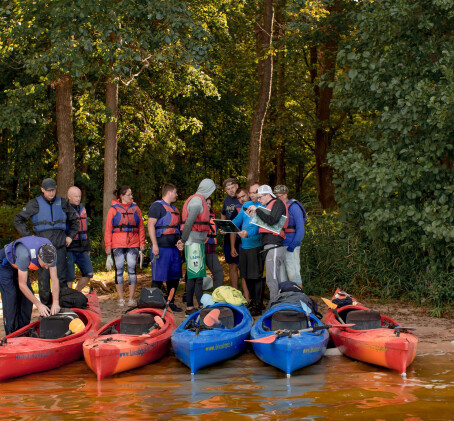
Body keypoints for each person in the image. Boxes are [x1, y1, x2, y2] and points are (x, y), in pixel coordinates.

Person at [13, 178, 79, 306]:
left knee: (61, 278)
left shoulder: (63, 203)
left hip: (60, 247)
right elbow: (18, 219)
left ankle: (60, 306)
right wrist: (29, 237)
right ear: (42, 190)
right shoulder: (34, 204)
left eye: (53, 190)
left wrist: (70, 236)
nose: (51, 193)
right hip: (42, 249)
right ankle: (46, 307)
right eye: (48, 191)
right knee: (43, 279)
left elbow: (75, 221)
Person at [0, 236, 60, 334]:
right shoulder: (25, 255)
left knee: (27, 300)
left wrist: (56, 302)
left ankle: (23, 331)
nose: (46, 268)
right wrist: (38, 304)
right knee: (11, 296)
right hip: (5, 264)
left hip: (21, 267)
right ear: (38, 257)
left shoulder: (51, 253)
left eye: (48, 265)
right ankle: (11, 334)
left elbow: (54, 279)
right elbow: (22, 285)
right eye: (44, 264)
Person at [177, 179, 217, 315]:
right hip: (192, 242)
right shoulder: (197, 201)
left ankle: (199, 304)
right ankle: (189, 307)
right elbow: (189, 222)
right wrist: (183, 240)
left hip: (198, 243)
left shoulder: (200, 200)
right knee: (193, 277)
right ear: (207, 189)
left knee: (198, 275)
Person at [104, 185, 146, 307]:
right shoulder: (113, 210)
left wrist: (142, 242)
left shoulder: (135, 208)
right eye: (129, 194)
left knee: (132, 270)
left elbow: (141, 227)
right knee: (119, 270)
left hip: (133, 243)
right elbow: (108, 229)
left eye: (131, 194)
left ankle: (131, 298)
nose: (131, 196)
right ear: (122, 196)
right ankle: (121, 298)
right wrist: (108, 246)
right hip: (117, 243)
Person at [246, 185, 288, 301]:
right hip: (269, 245)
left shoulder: (278, 203)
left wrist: (257, 210)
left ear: (268, 195)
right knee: (272, 278)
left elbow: (272, 220)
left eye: (260, 197)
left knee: (272, 278)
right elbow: (267, 221)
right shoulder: (270, 206)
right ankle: (277, 304)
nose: (259, 200)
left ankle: (274, 306)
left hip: (274, 245)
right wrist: (255, 215)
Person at [148, 183, 183, 312]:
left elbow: (177, 229)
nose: (177, 195)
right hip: (161, 247)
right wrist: (155, 244)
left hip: (173, 248)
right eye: (175, 192)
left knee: (174, 277)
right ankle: (154, 304)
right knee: (158, 277)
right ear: (169, 193)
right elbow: (150, 225)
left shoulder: (174, 209)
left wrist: (180, 241)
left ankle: (170, 302)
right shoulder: (157, 206)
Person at [231, 186, 263, 315]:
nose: (252, 195)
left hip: (256, 245)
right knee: (246, 276)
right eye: (251, 192)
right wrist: (227, 227)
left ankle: (259, 305)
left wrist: (248, 234)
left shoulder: (263, 206)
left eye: (255, 192)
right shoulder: (247, 205)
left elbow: (259, 226)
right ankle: (252, 302)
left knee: (256, 277)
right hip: (244, 246)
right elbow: (237, 220)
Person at [273, 185, 307, 286]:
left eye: (280, 196)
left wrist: (293, 245)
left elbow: (300, 228)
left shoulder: (294, 207)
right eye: (276, 196)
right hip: (280, 244)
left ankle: (299, 298)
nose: (278, 198)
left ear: (286, 194)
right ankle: (285, 299)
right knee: (282, 276)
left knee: (294, 274)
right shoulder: (278, 207)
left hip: (291, 245)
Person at [66, 186, 94, 291]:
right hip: (69, 248)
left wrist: (88, 247)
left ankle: (76, 293)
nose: (78, 198)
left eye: (79, 196)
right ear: (69, 197)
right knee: (69, 277)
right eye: (75, 196)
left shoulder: (82, 209)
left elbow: (85, 230)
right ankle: (69, 298)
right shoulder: (64, 210)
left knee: (89, 272)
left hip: (82, 247)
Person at [221, 178, 240, 289]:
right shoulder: (226, 200)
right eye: (228, 189)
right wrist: (223, 226)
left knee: (242, 265)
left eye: (232, 188)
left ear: (237, 186)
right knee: (232, 265)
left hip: (241, 235)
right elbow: (223, 214)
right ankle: (235, 291)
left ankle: (247, 293)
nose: (231, 191)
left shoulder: (241, 198)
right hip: (229, 236)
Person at [205, 197, 224, 289]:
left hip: (211, 250)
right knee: (195, 275)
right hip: (199, 249)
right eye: (206, 203)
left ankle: (217, 296)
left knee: (219, 273)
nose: (208, 206)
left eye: (209, 204)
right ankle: (187, 295)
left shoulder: (213, 217)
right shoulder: (196, 216)